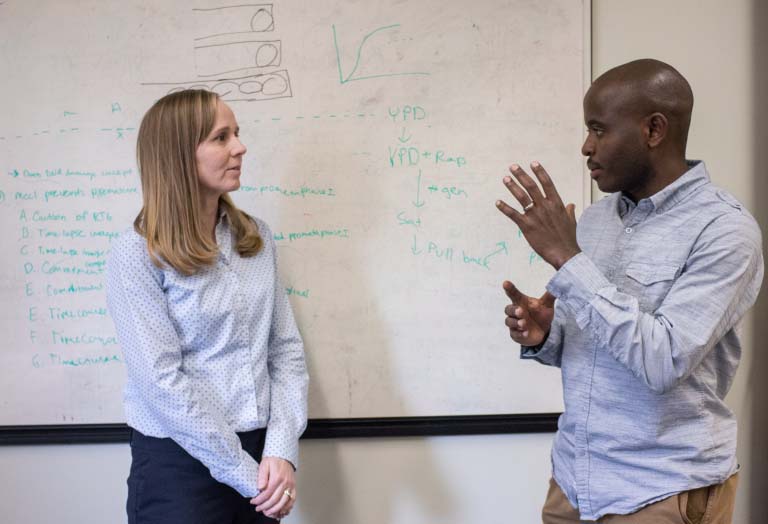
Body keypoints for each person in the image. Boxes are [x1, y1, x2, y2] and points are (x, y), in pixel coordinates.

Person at [496, 59, 763, 523]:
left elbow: (663, 360)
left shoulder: (725, 230)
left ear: (653, 130)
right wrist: (547, 336)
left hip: (661, 491)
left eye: (599, 130)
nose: (586, 146)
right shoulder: (597, 220)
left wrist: (567, 260)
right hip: (574, 483)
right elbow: (600, 342)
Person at [106, 89, 308, 524]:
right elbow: (162, 383)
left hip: (261, 462)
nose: (240, 146)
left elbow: (285, 352)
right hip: (178, 470)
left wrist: (280, 451)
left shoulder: (255, 237)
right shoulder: (137, 254)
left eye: (236, 133)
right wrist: (243, 472)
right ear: (180, 154)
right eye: (221, 137)